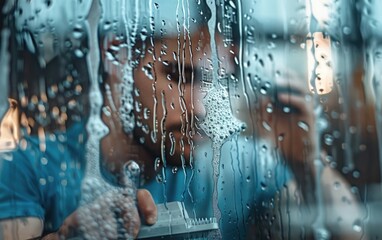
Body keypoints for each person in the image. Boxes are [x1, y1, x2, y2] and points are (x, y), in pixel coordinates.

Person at [0, 0, 365, 239]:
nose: (203, 109)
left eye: (213, 82)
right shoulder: (31, 167)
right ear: (115, 58)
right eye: (181, 76)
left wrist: (308, 162)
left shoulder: (231, 165)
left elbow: (351, 232)